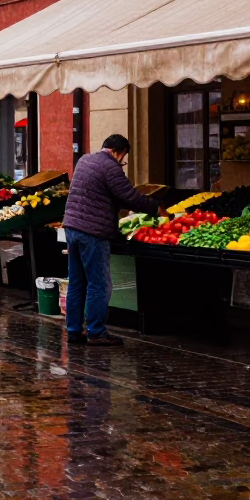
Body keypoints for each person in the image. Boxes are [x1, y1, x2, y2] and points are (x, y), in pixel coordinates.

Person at [62, 134, 160, 346]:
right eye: (123, 158)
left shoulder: (84, 160)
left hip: (72, 227)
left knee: (77, 282)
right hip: (92, 233)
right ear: (118, 151)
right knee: (99, 284)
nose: (121, 162)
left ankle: (73, 330)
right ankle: (96, 332)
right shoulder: (110, 167)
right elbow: (129, 197)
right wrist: (154, 208)